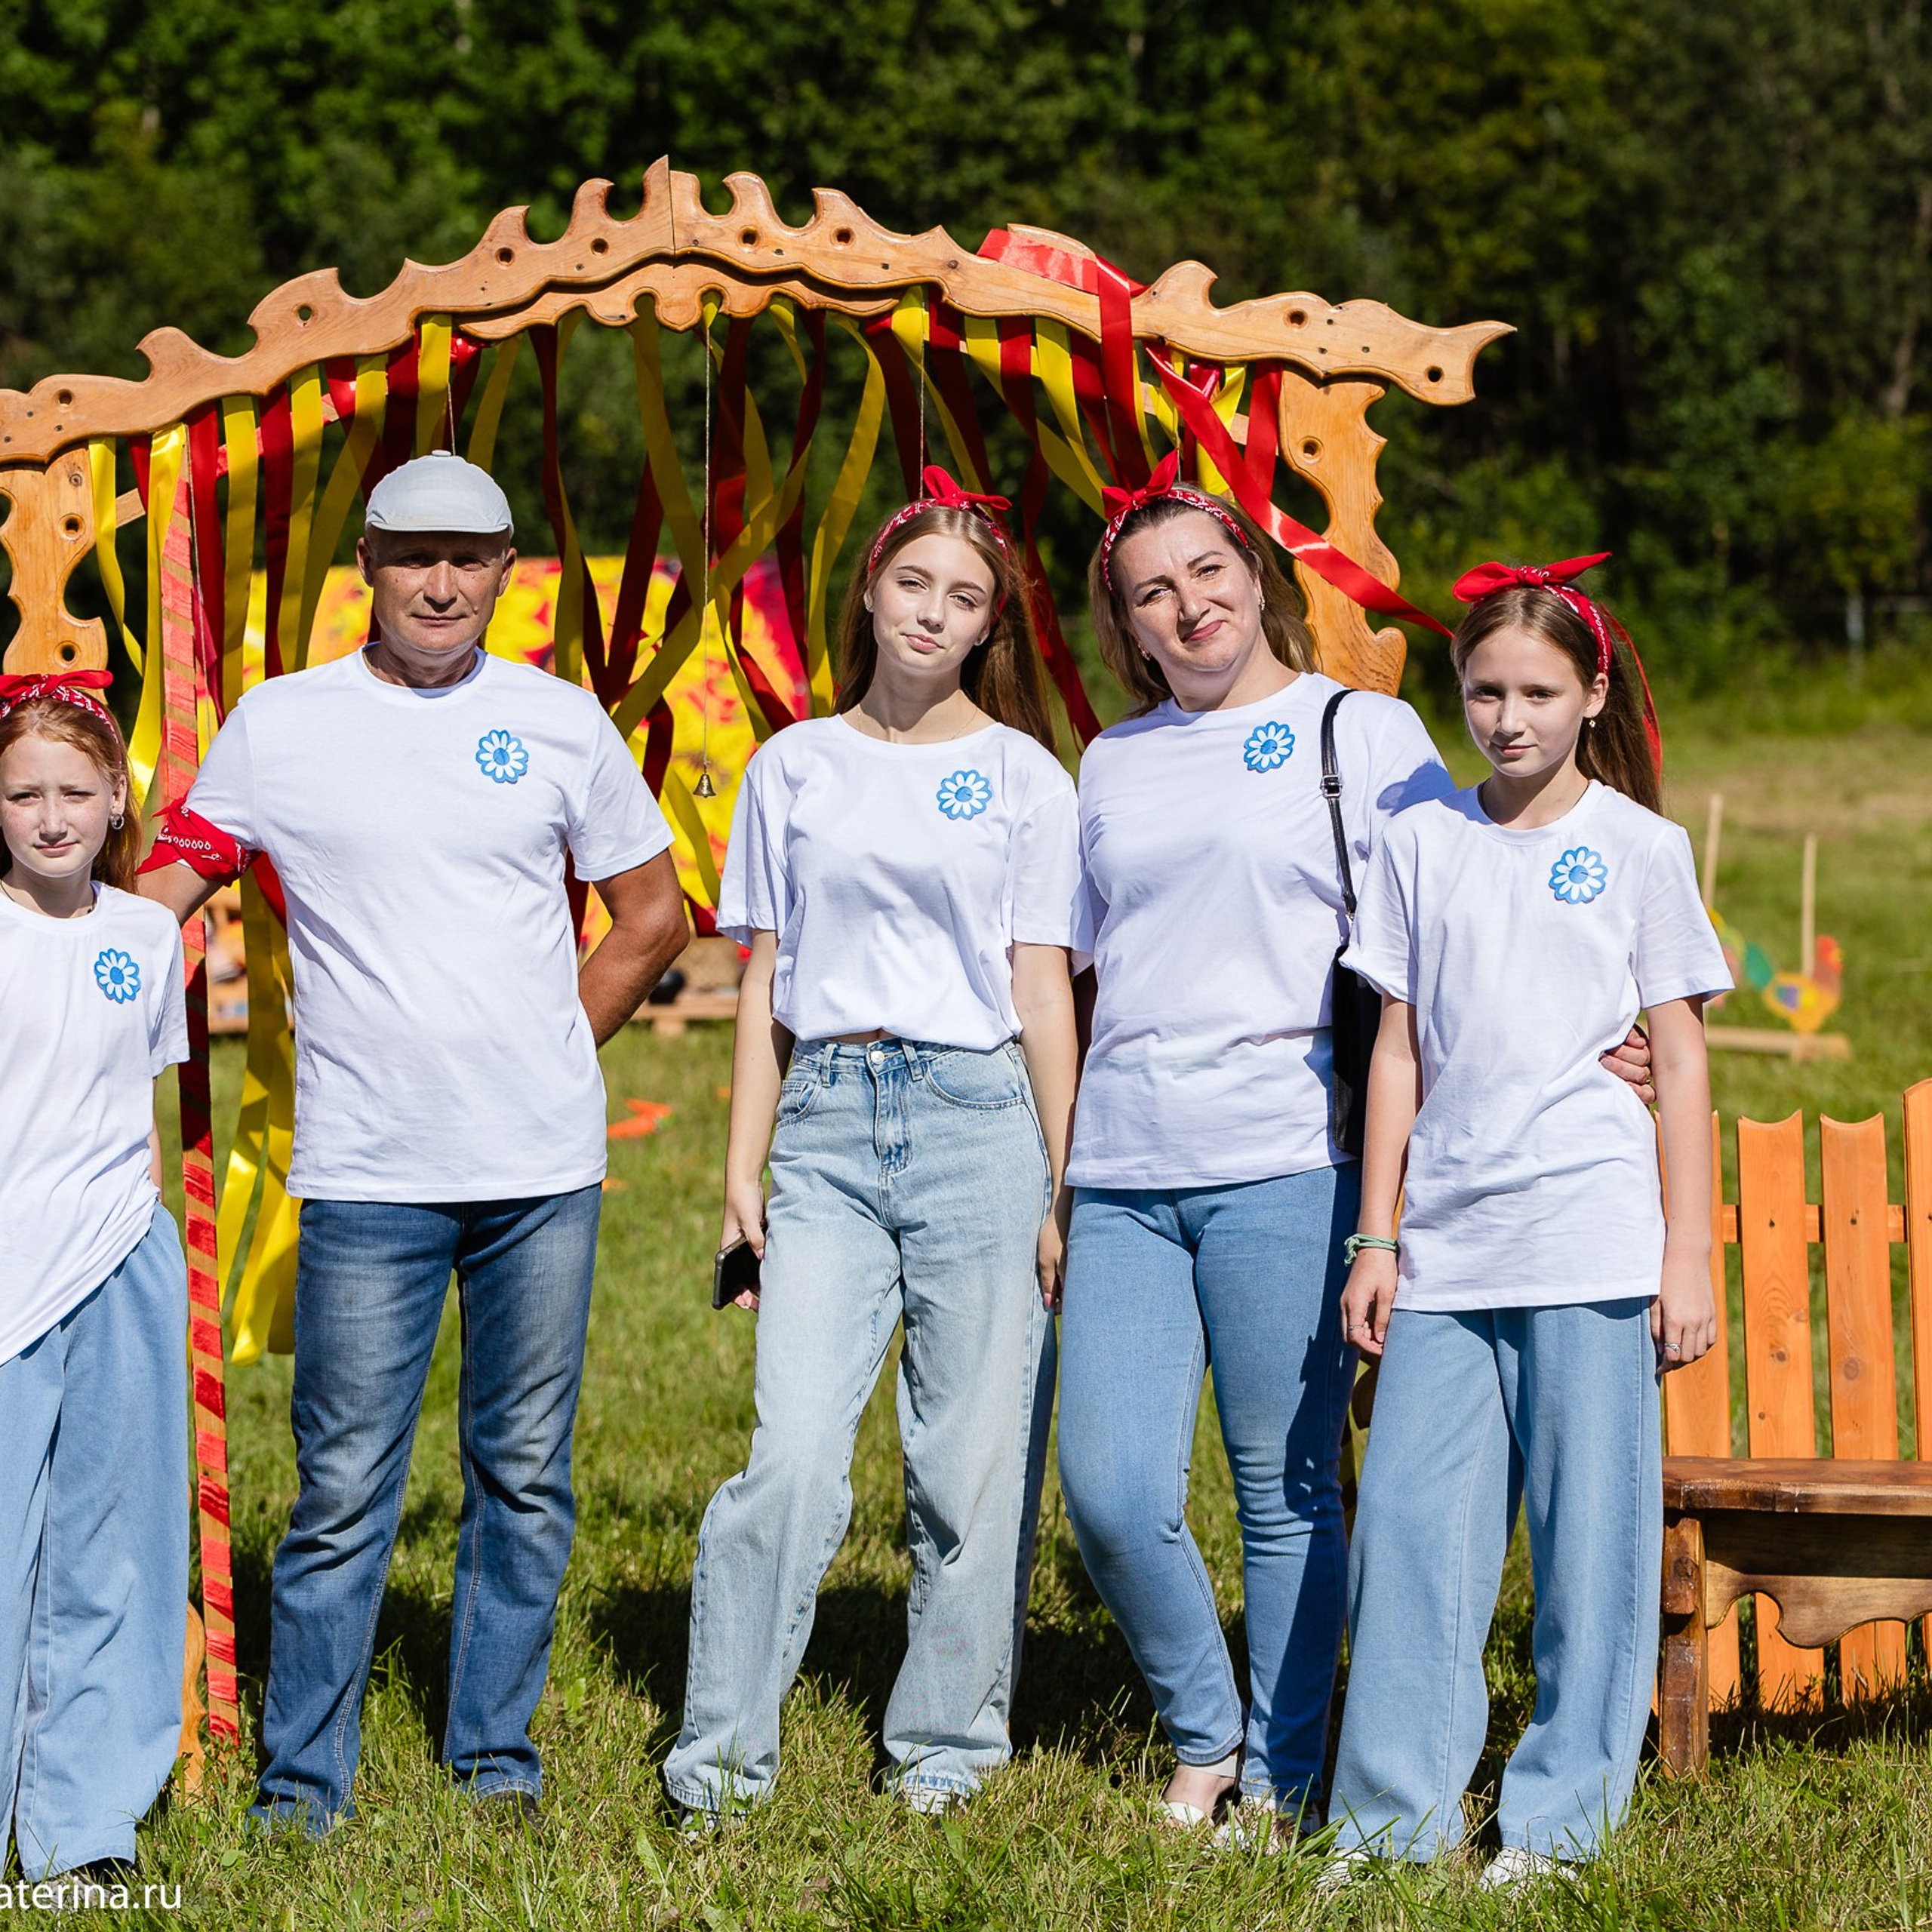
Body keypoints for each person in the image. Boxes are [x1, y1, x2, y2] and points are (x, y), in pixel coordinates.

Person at [1052, 463, 1655, 1842]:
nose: (1189, 605)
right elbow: (1078, 973)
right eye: (1154, 592)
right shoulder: (1111, 760)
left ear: (1256, 574)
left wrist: (1609, 1028)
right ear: (1128, 625)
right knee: (1112, 1487)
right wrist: (1056, 1165)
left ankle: (1279, 1765)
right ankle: (1206, 1721)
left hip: (1287, 1152)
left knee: (1287, 1489)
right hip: (1125, 1166)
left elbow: (1478, 905)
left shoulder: (1361, 734)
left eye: (1208, 571)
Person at [139, 451, 689, 1833]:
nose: (440, 583)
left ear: (505, 572)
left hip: (541, 1174)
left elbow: (652, 915)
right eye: (410, 555)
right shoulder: (280, 724)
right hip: (368, 1174)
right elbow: (160, 896)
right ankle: (299, 1788)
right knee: (338, 1490)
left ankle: (494, 1761)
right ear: (367, 568)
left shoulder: (562, 723)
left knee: (522, 1474)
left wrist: (552, 1052)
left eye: (470, 557)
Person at [663, 469, 1081, 1822]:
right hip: (827, 1129)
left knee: (968, 1466)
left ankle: (947, 1752)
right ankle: (720, 1760)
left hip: (980, 1121)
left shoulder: (1025, 776)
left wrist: (1065, 1185)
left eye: (966, 599)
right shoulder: (794, 764)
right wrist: (743, 1168)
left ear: (987, 628)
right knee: (789, 1455)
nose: (934, 612)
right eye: (915, 583)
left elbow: (1039, 993)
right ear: (869, 589)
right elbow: (765, 984)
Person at [1322, 555, 1729, 1890]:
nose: (1509, 717)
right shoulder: (1421, 840)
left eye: (1540, 691)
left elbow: (1679, 1060)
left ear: (1591, 691)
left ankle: (1561, 1825)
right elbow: (1396, 1049)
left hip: (1595, 1247)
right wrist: (1376, 1237)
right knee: (1413, 1548)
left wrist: (1686, 1255)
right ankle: (1390, 1826)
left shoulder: (1640, 850)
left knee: (1590, 1554)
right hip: (1443, 1249)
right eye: (1486, 689)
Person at [0, 672, 189, 1878]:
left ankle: (82, 1830)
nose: (52, 816)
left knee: (111, 1547)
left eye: (76, 791)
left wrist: (151, 1242)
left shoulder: (148, 934)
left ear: (117, 799)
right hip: (9, 1268)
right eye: (23, 793)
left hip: (122, 1257)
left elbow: (143, 1108)